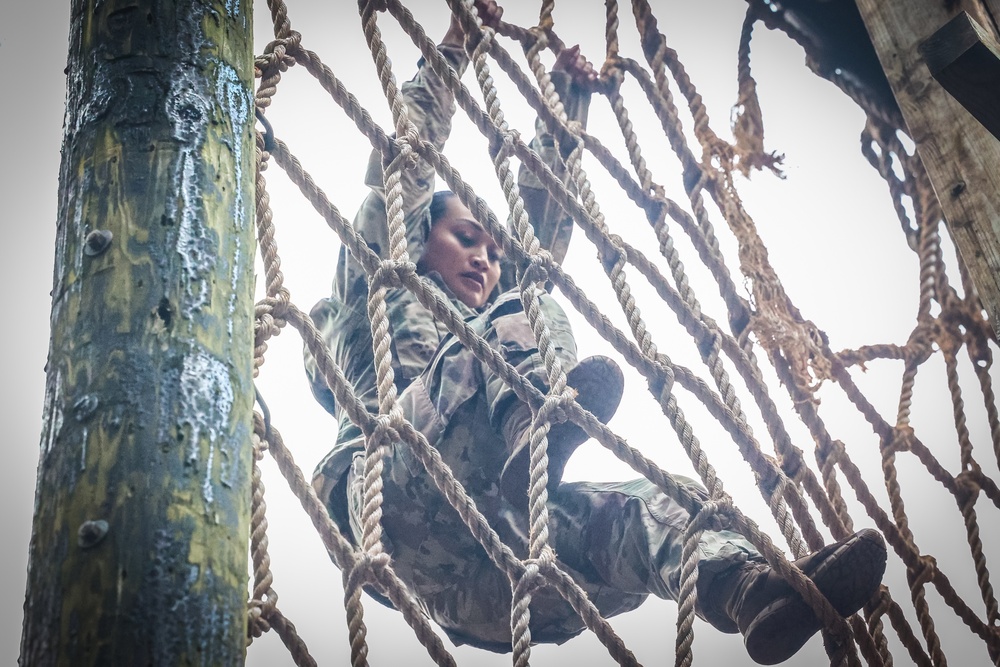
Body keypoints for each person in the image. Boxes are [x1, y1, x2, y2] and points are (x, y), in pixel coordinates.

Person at [305, 4, 887, 664]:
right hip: (393, 500)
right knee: (522, 311)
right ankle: (539, 424)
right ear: (418, 239)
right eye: (465, 239)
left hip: (505, 587)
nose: (484, 259)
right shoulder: (375, 291)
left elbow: (538, 245)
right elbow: (404, 166)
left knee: (665, 498)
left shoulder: (499, 314)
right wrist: (456, 46)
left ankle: (749, 592)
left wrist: (566, 103)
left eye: (492, 252)